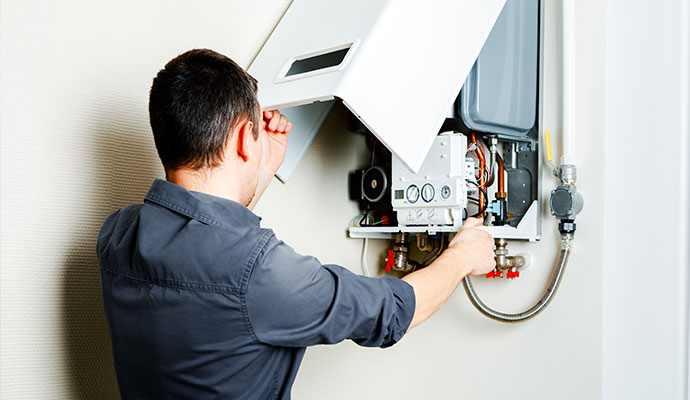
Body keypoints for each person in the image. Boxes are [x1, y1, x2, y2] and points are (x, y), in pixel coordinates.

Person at [97, 49, 496, 399]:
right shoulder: (261, 273)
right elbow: (394, 313)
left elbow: (210, 245)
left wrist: (262, 168)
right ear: (241, 138)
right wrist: (463, 255)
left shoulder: (117, 234)